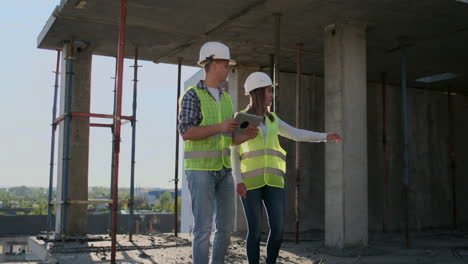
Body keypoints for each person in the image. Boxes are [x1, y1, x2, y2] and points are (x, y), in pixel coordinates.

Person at [231, 72, 341, 264]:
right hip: (250, 182)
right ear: (257, 92)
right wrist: (238, 180)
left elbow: (296, 134)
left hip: (274, 181)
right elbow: (233, 150)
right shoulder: (241, 118)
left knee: (279, 228)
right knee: (255, 231)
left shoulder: (273, 119)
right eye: (268, 91)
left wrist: (324, 136)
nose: (271, 95)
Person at [178, 41, 258, 264]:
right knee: (203, 229)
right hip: (200, 171)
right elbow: (186, 132)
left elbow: (229, 137)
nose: (227, 69)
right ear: (212, 64)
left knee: (225, 228)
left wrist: (245, 136)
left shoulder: (226, 97)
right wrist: (220, 127)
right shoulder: (192, 95)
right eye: (225, 65)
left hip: (224, 170)